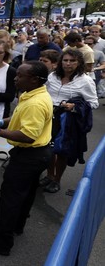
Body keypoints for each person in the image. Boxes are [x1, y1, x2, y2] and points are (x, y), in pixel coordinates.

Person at [0, 61, 54, 256]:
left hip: (30, 155)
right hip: (37, 153)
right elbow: (19, 117)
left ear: (34, 79)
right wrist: (2, 121)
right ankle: (16, 225)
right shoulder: (31, 93)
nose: (15, 78)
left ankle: (1, 240)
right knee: (25, 194)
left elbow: (28, 135)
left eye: (20, 76)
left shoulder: (36, 103)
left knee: (11, 197)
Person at [40, 49, 99, 193]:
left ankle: (56, 180)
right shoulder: (52, 76)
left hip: (67, 120)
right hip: (48, 116)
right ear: (60, 62)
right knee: (48, 149)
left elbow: (94, 103)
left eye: (72, 61)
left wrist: (74, 106)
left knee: (62, 151)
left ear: (79, 63)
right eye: (65, 60)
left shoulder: (85, 81)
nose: (68, 63)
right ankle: (49, 175)